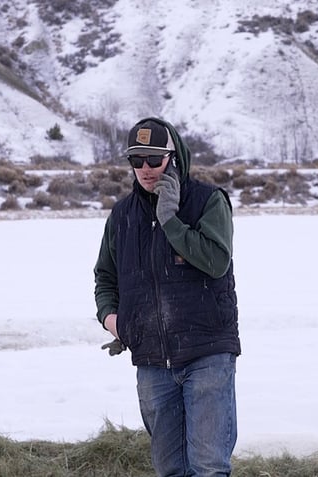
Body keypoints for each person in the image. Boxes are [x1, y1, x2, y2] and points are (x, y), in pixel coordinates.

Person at [93, 117, 241, 477]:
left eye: (154, 159)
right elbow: (105, 278)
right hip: (152, 361)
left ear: (174, 157)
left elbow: (216, 262)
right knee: (170, 469)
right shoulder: (123, 216)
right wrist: (112, 319)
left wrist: (171, 220)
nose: (145, 169)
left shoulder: (208, 202)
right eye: (136, 160)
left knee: (208, 467)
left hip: (207, 354)